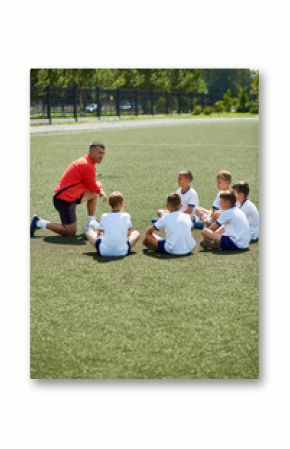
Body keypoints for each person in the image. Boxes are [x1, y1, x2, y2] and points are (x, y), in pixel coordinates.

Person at [30, 141, 107, 237]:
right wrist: (100, 189)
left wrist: (99, 189)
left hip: (72, 195)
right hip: (63, 199)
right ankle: (38, 222)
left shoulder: (88, 162)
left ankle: (90, 222)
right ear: (91, 151)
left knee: (94, 192)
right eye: (99, 153)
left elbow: (92, 186)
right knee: (70, 232)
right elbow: (92, 186)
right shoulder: (86, 165)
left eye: (103, 153)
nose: (102, 156)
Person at [86, 191, 140, 257]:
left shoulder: (104, 216)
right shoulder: (126, 216)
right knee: (136, 233)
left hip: (104, 251)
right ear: (122, 204)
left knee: (89, 232)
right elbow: (129, 234)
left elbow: (99, 233)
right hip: (122, 252)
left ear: (110, 206)